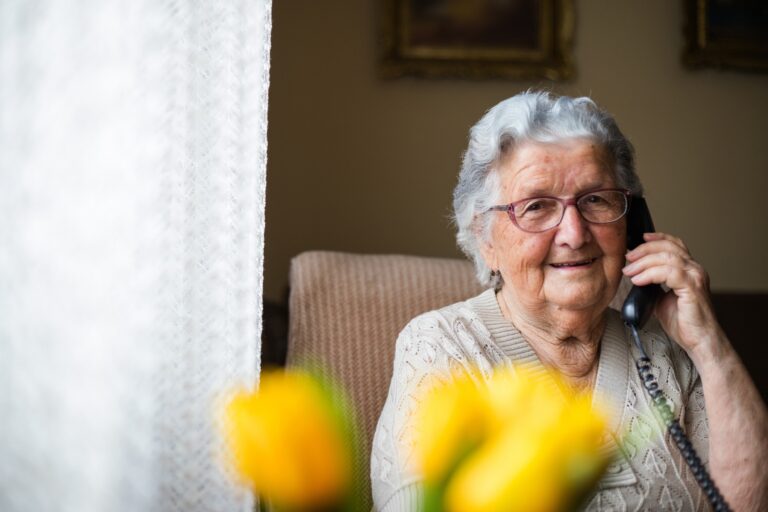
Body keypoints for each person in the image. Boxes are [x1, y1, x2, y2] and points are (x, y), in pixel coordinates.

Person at [370, 92, 768, 511]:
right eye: (537, 206)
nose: (574, 234)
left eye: (596, 199)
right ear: (486, 238)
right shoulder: (440, 347)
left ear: (633, 222)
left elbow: (751, 504)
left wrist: (708, 343)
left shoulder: (666, 351)